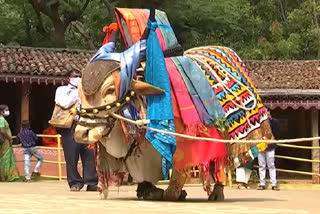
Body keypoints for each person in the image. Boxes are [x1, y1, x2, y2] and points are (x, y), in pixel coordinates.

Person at [54, 71, 98, 191]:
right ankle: (75, 182)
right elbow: (64, 103)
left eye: (80, 76)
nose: (78, 78)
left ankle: (92, 181)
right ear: (68, 78)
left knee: (89, 154)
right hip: (70, 127)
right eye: (75, 76)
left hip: (86, 125)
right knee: (71, 156)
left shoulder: (87, 90)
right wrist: (78, 93)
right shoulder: (62, 90)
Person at [257, 110, 280, 191]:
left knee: (271, 165)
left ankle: (274, 184)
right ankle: (262, 184)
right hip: (260, 146)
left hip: (270, 146)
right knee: (261, 165)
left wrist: (269, 118)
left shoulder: (272, 122)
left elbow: (276, 126)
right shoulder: (257, 123)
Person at [0, 105, 20, 181]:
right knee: (5, 157)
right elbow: (2, 130)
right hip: (5, 141)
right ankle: (7, 176)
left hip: (5, 141)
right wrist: (9, 138)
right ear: (1, 111)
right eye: (6, 110)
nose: (8, 111)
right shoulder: (1, 119)